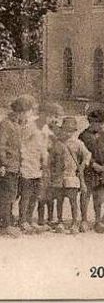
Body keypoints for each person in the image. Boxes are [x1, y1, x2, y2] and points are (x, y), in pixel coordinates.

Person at [0, 95, 37, 237]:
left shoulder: (17, 125)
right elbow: (1, 146)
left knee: (12, 194)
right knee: (7, 195)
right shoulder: (6, 124)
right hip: (8, 166)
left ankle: (6, 221)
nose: (30, 115)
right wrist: (2, 163)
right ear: (21, 111)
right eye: (29, 112)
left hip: (16, 166)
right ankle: (6, 225)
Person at [48, 117, 91, 234]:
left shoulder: (78, 143)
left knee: (73, 201)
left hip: (72, 176)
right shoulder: (57, 143)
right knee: (59, 201)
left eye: (70, 130)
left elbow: (87, 154)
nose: (67, 133)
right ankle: (60, 221)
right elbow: (51, 158)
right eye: (65, 130)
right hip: (59, 177)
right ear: (62, 130)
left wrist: (82, 165)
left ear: (74, 131)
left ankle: (74, 222)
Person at [79, 109, 104, 232]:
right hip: (89, 170)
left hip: (102, 171)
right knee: (86, 196)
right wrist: (93, 164)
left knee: (99, 197)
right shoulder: (83, 136)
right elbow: (82, 153)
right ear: (91, 122)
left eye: (102, 123)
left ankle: (98, 220)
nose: (101, 125)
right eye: (98, 122)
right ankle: (84, 220)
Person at [18, 97, 47, 234]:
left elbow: (43, 145)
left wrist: (44, 160)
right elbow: (21, 144)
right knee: (26, 194)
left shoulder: (39, 125)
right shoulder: (25, 125)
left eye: (29, 110)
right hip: (26, 164)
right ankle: (23, 221)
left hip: (37, 164)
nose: (27, 113)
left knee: (35, 195)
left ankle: (29, 219)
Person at [36, 102, 63, 229]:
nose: (55, 119)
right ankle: (41, 218)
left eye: (57, 117)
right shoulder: (41, 127)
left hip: (53, 164)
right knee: (41, 193)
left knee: (51, 193)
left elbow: (59, 145)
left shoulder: (56, 130)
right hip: (42, 163)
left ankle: (51, 218)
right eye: (53, 116)